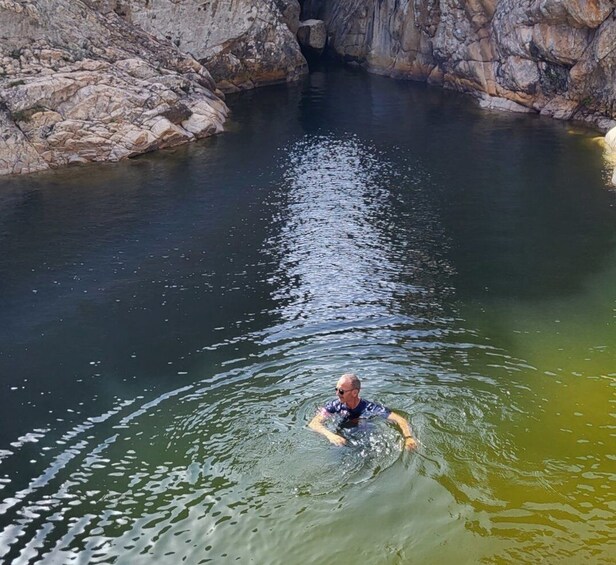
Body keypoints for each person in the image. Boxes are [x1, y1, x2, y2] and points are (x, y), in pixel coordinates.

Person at [308, 373, 417, 451]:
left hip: (365, 436)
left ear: (354, 392)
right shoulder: (334, 406)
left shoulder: (370, 408)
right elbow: (314, 423)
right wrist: (330, 435)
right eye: (336, 389)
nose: (337, 394)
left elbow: (400, 420)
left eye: (341, 391)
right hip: (343, 438)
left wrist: (408, 438)